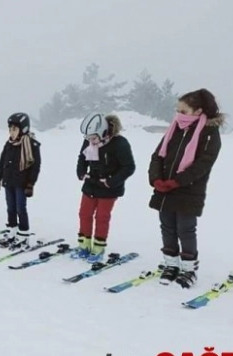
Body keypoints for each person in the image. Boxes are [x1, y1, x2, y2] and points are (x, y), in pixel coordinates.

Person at [148, 88, 223, 288]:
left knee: (185, 229)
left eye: (184, 110)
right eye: (177, 109)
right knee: (167, 227)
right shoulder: (175, 128)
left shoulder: (209, 133)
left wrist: (177, 181)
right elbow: (157, 155)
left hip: (188, 190)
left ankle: (188, 269)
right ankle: (171, 265)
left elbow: (203, 164)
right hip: (164, 188)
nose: (178, 114)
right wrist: (156, 179)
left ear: (198, 111)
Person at [73, 113, 135, 262]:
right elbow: (82, 158)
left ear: (103, 133)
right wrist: (81, 173)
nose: (90, 142)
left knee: (101, 217)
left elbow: (129, 167)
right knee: (84, 214)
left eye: (93, 138)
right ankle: (84, 246)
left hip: (109, 188)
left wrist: (111, 181)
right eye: (88, 139)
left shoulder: (120, 143)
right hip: (91, 184)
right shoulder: (89, 140)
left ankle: (98, 249)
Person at [0, 113, 41, 248]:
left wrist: (31, 184)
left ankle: (24, 233)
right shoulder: (9, 144)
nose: (11, 132)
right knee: (10, 208)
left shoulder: (32, 145)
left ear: (23, 129)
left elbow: (35, 167)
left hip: (22, 183)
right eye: (10, 129)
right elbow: (2, 162)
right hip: (8, 182)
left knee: (21, 208)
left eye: (14, 129)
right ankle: (13, 230)